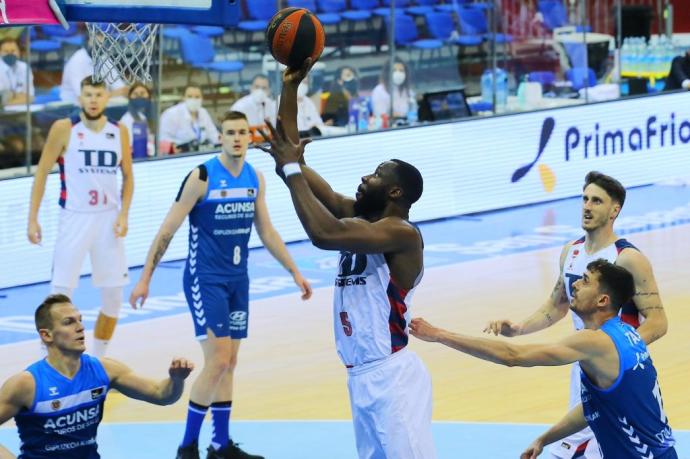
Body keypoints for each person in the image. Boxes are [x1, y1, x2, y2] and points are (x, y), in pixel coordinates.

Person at [257, 59, 435, 459]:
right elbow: (295, 160)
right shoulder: (358, 214)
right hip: (360, 377)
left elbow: (325, 235)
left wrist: (290, 168)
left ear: (394, 193)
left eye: (375, 174)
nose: (364, 178)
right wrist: (290, 86)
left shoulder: (401, 234)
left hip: (391, 378)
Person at [129, 110, 312, 459]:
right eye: (230, 132)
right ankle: (187, 447)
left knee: (229, 363)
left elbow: (267, 231)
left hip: (237, 281)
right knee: (218, 360)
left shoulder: (255, 178)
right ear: (221, 137)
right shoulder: (201, 176)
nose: (237, 138)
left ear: (249, 136)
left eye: (243, 132)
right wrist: (145, 279)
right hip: (204, 279)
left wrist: (294, 271)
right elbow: (167, 229)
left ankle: (220, 445)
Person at [410, 259, 677, 459]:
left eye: (584, 281)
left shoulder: (593, 342)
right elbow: (593, 407)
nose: (575, 284)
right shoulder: (627, 333)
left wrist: (440, 335)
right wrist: (544, 439)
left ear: (602, 300)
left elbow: (513, 356)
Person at [484, 171, 668, 458]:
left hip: (613, 370)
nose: (587, 206)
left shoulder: (628, 258)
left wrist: (617, 352)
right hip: (582, 365)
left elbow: (658, 321)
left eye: (597, 201)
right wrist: (518, 329)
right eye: (585, 199)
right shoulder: (570, 252)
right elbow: (555, 306)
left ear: (614, 210)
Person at [0, 294, 194, 458]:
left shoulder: (104, 370)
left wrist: (176, 380)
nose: (80, 327)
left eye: (80, 320)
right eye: (69, 322)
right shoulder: (27, 384)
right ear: (47, 335)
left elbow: (162, 395)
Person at [28, 76, 134, 359]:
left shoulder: (119, 130)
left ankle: (97, 361)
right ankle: (49, 361)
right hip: (74, 218)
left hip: (108, 220)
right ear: (80, 98)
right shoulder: (64, 129)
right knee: (60, 294)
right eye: (88, 94)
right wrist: (32, 218)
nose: (93, 100)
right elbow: (41, 173)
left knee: (113, 298)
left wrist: (124, 213)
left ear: (107, 97)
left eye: (98, 94)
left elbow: (128, 177)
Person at [159, 84, 219, 154]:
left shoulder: (203, 112)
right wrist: (173, 146)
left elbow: (213, 134)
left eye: (197, 97)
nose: (193, 99)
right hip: (178, 155)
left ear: (202, 98)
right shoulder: (171, 114)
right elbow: (163, 138)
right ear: (183, 98)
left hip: (201, 152)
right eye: (190, 96)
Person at [59, 44, 127, 104]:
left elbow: (122, 89)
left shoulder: (104, 57)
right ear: (88, 40)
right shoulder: (76, 61)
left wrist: (104, 96)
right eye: (97, 35)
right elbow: (82, 97)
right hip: (73, 106)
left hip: (102, 102)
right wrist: (107, 95)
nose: (100, 42)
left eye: (103, 36)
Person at [120, 82, 153, 159]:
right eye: (135, 94)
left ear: (149, 96)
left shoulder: (154, 116)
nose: (139, 96)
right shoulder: (126, 119)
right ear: (129, 98)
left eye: (142, 93)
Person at [0, 37, 34, 105]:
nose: (10, 54)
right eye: (6, 51)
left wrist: (12, 98)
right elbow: (2, 100)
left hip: (23, 108)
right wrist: (20, 96)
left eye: (13, 51)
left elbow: (30, 97)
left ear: (19, 52)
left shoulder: (24, 67)